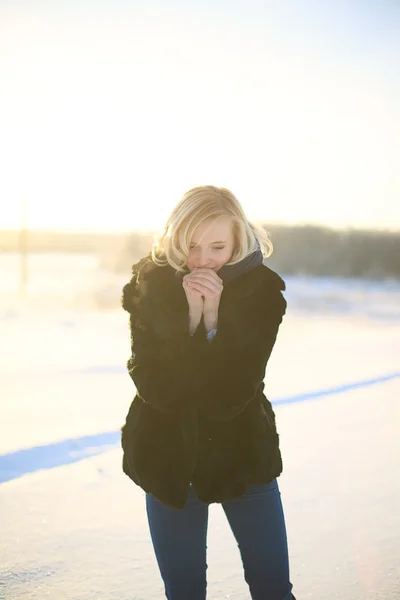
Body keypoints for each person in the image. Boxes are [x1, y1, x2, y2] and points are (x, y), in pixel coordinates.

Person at [121, 185, 296, 600]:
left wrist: (213, 319)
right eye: (191, 246)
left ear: (239, 241)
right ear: (175, 240)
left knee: (273, 590)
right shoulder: (151, 286)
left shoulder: (262, 293)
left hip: (244, 458)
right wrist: (189, 320)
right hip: (168, 463)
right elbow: (156, 387)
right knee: (184, 593)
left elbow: (230, 395)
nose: (203, 260)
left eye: (217, 246)